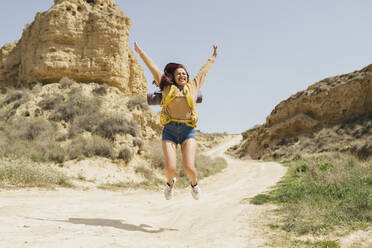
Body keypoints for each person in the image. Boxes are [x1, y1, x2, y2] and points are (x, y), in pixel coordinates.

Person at [134, 42, 218, 200]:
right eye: (179, 74)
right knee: (170, 168)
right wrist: (141, 53)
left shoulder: (193, 86)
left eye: (184, 73)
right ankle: (170, 184)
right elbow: (152, 68)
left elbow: (203, 71)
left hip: (188, 130)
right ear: (173, 77)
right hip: (169, 130)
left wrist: (212, 57)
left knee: (189, 167)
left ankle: (194, 185)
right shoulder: (166, 87)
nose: (182, 76)